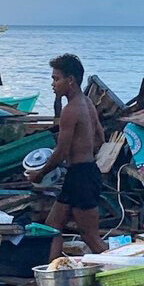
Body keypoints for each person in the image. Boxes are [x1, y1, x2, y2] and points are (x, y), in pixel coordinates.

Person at [33, 53, 106, 260]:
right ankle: (52, 274)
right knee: (53, 227)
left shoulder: (70, 110)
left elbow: (61, 151)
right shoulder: (89, 104)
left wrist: (40, 173)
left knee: (91, 237)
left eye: (56, 79)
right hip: (83, 173)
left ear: (70, 80)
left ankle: (125, 273)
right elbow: (101, 137)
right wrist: (84, 152)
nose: (53, 84)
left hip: (81, 176)